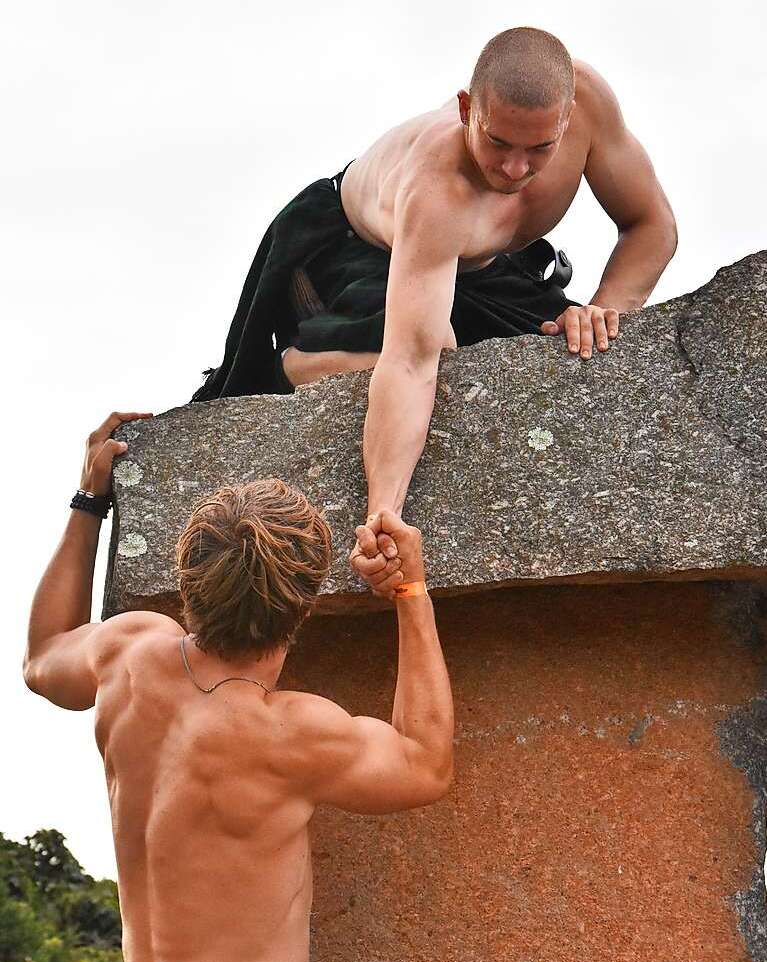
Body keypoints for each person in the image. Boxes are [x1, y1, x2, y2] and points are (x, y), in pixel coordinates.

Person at [189, 27, 677, 595]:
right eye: (498, 143)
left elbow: (652, 225)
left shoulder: (589, 99)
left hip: (481, 270)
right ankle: (294, 362)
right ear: (469, 109)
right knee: (438, 350)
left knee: (556, 350)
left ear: (566, 118)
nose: (516, 169)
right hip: (352, 251)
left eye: (538, 149)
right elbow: (411, 362)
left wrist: (601, 309)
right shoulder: (438, 185)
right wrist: (382, 518)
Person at [23, 412, 454, 962]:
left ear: (186, 581)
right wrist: (411, 593)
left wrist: (90, 498)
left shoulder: (127, 656)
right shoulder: (291, 733)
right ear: (303, 606)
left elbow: (42, 656)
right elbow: (427, 764)